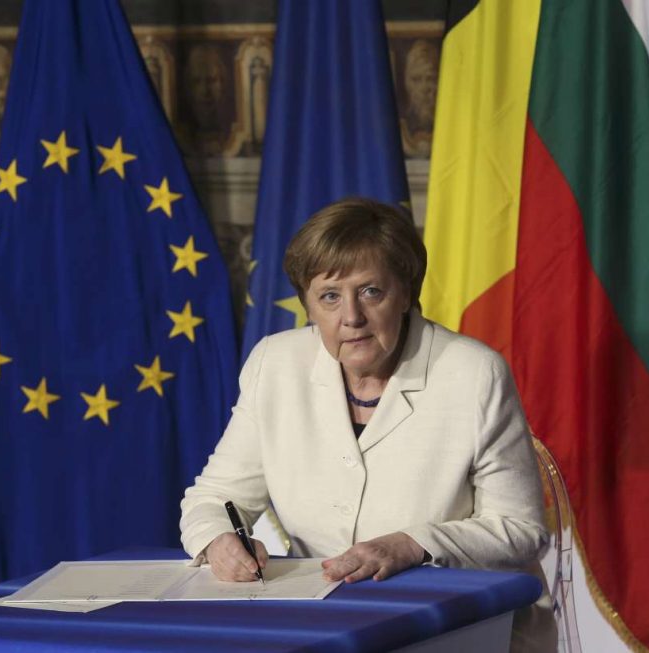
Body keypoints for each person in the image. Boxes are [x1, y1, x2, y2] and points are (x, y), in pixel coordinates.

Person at [180, 197, 552, 647]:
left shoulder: (473, 374)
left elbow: (521, 529)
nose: (352, 317)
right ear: (308, 305)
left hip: (464, 626)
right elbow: (215, 498)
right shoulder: (275, 364)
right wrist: (218, 540)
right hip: (323, 625)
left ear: (406, 294)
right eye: (330, 296)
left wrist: (411, 544)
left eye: (371, 291)